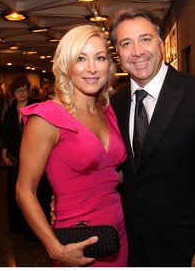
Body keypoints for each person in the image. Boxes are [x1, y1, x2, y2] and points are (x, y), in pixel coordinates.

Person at [108, 7, 195, 267]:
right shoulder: (116, 103)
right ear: (118, 53)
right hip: (134, 248)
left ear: (161, 42)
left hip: (188, 248)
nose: (137, 51)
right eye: (126, 43)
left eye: (145, 39)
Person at [16, 25, 128, 267]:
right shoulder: (46, 117)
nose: (91, 68)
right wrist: (55, 248)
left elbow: (110, 173)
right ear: (66, 65)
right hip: (76, 241)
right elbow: (24, 190)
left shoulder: (106, 111)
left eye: (99, 58)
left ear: (108, 65)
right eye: (81, 58)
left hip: (117, 235)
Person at [1, 75, 51, 236]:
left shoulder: (37, 108)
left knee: (37, 189)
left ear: (29, 91)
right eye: (17, 90)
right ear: (12, 93)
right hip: (15, 155)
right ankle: (18, 225)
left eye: (24, 90)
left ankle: (38, 228)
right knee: (17, 189)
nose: (21, 93)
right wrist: (4, 153)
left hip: (36, 152)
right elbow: (6, 135)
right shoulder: (9, 112)